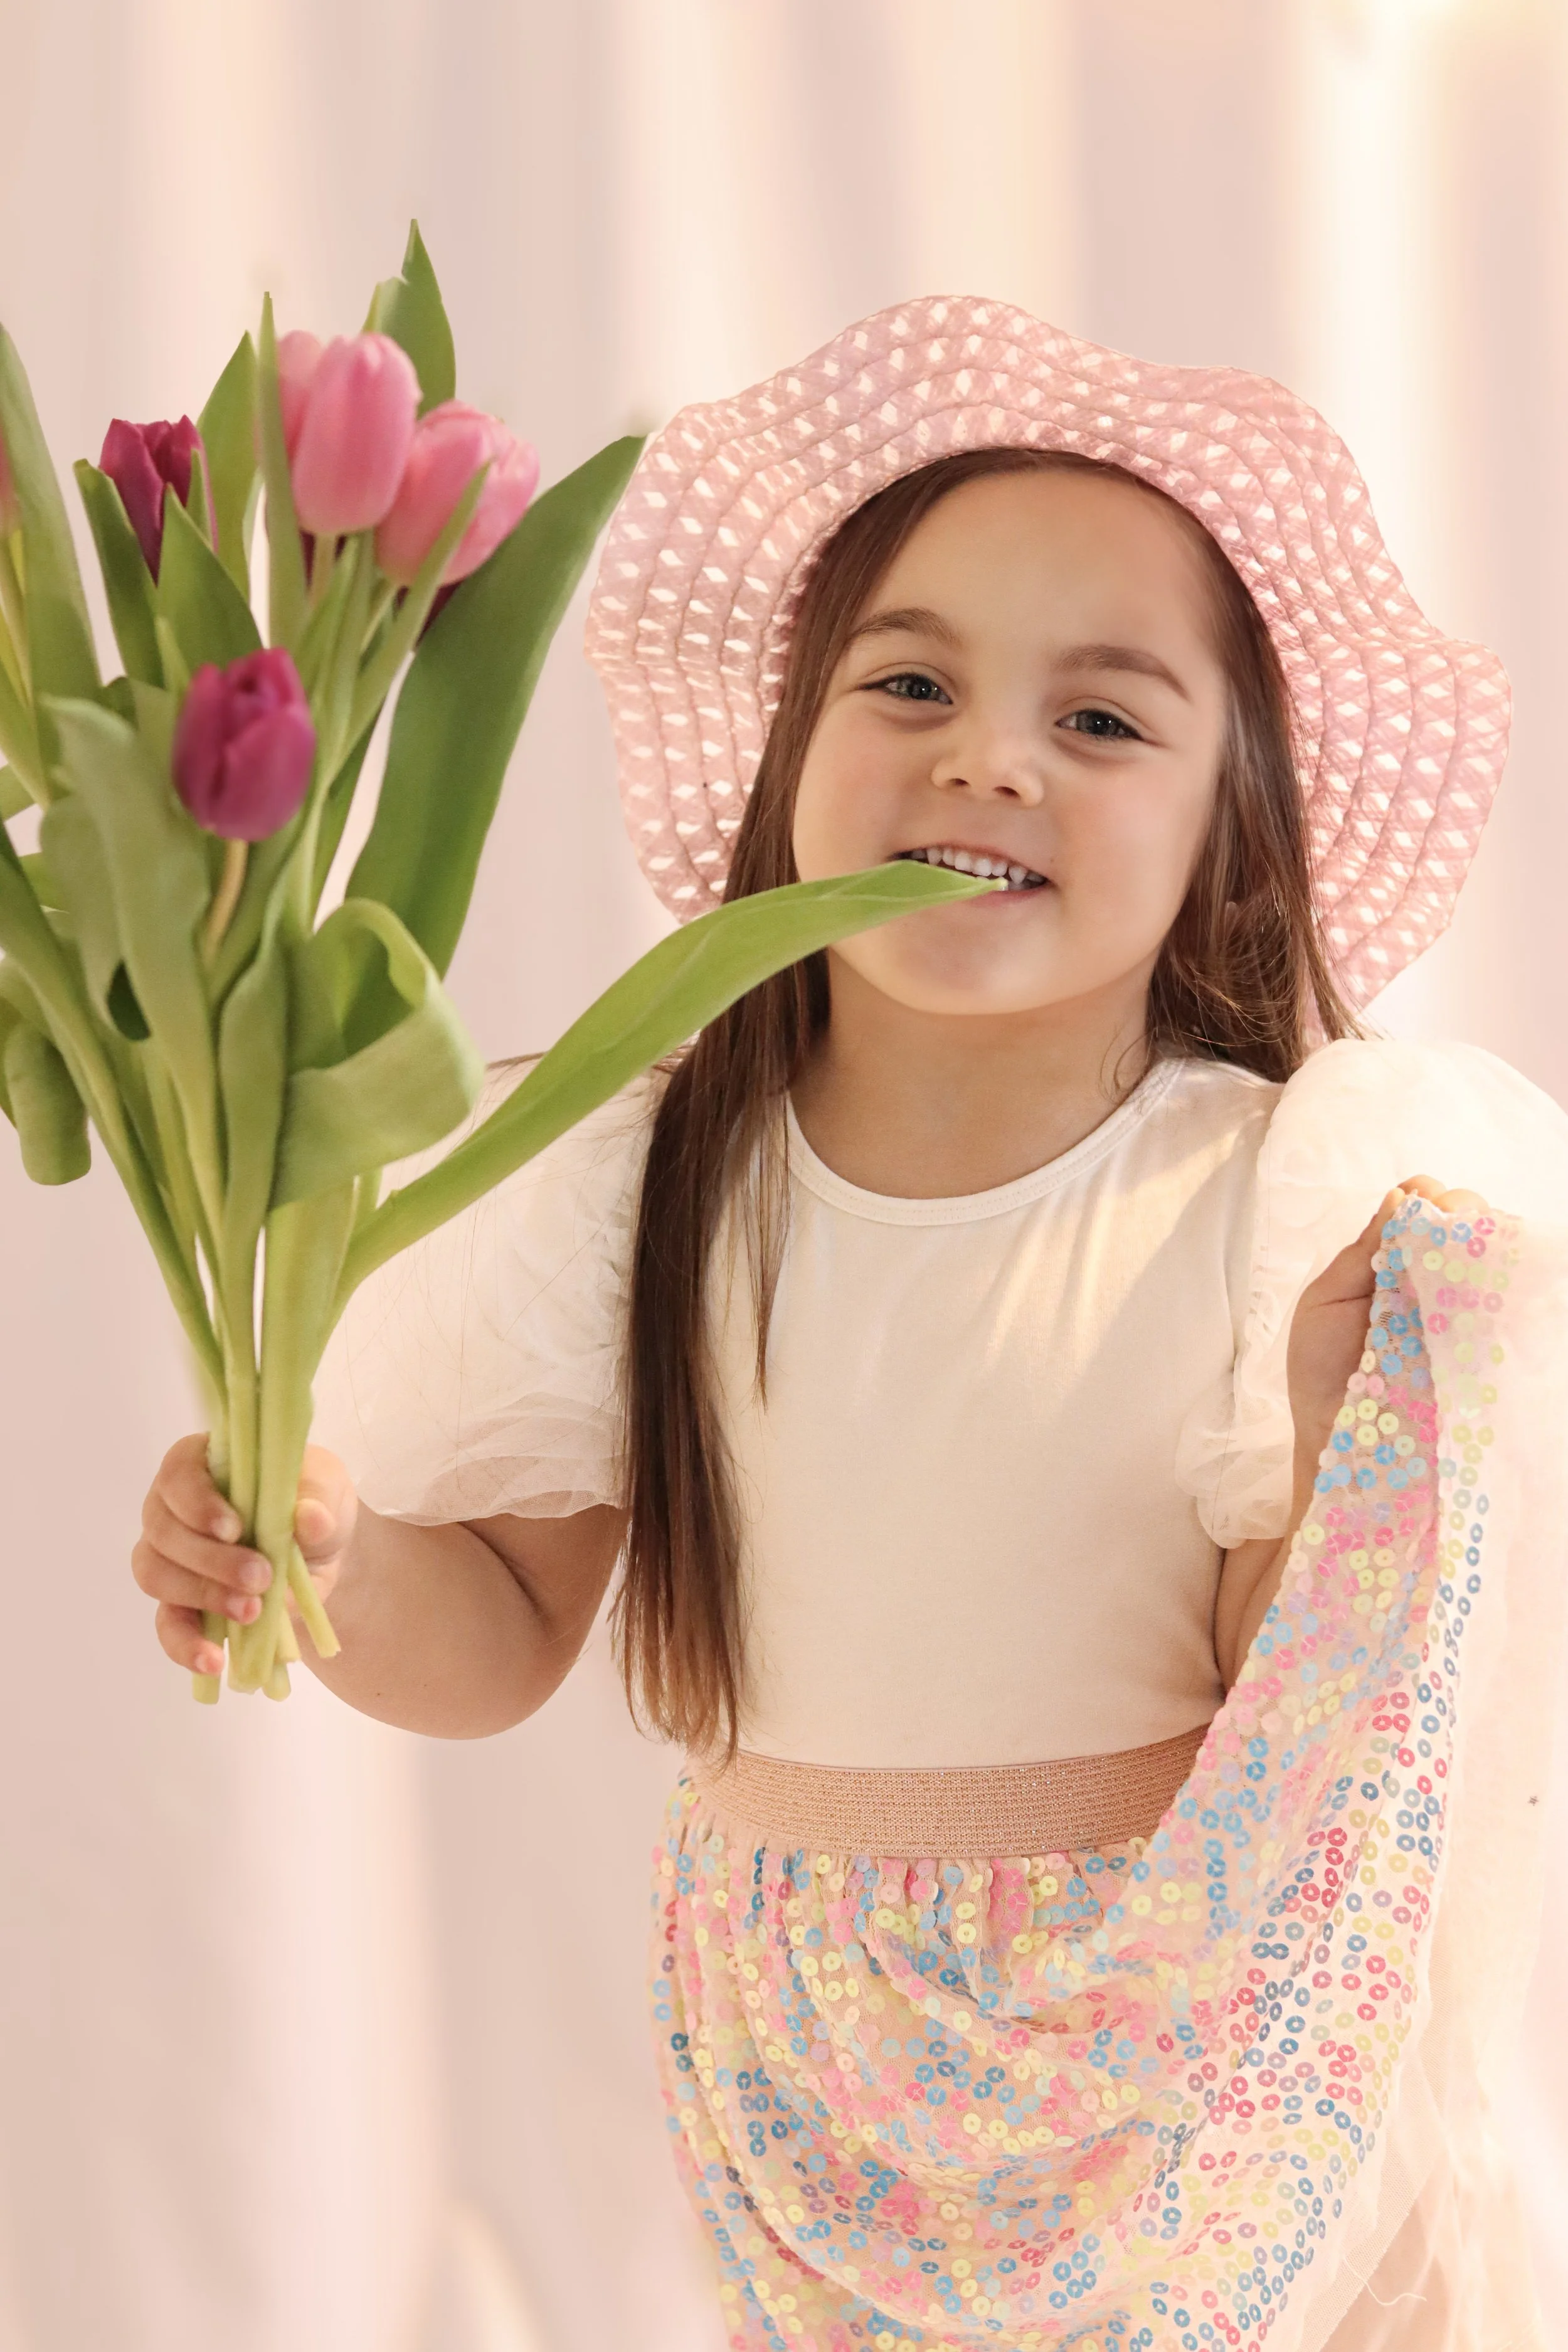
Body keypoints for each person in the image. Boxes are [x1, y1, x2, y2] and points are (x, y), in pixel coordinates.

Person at [133, 299, 1568, 2348]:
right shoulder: (649, 1177)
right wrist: (328, 1558)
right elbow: (510, 1634)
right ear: (789, 747)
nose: (989, 752)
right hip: (800, 2053)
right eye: (910, 681)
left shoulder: (1270, 1198)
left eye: (1102, 721)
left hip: (1162, 2023)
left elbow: (1299, 1736)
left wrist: (1355, 1435)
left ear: (1222, 831)